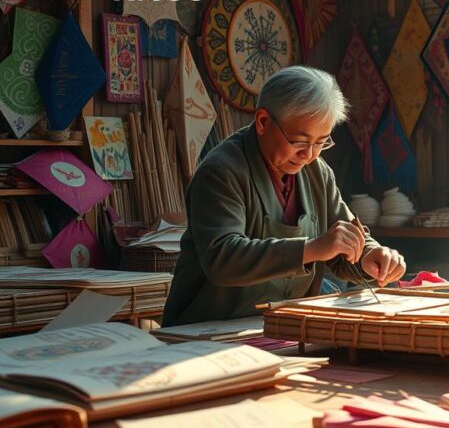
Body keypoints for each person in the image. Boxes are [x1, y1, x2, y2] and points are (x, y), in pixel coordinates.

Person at [162, 66, 406, 327]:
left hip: (281, 327)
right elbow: (222, 258)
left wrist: (371, 255)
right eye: (299, 141)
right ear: (263, 122)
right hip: (206, 332)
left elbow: (342, 240)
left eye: (322, 142)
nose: (309, 154)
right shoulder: (221, 172)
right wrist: (311, 249)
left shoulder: (317, 172)